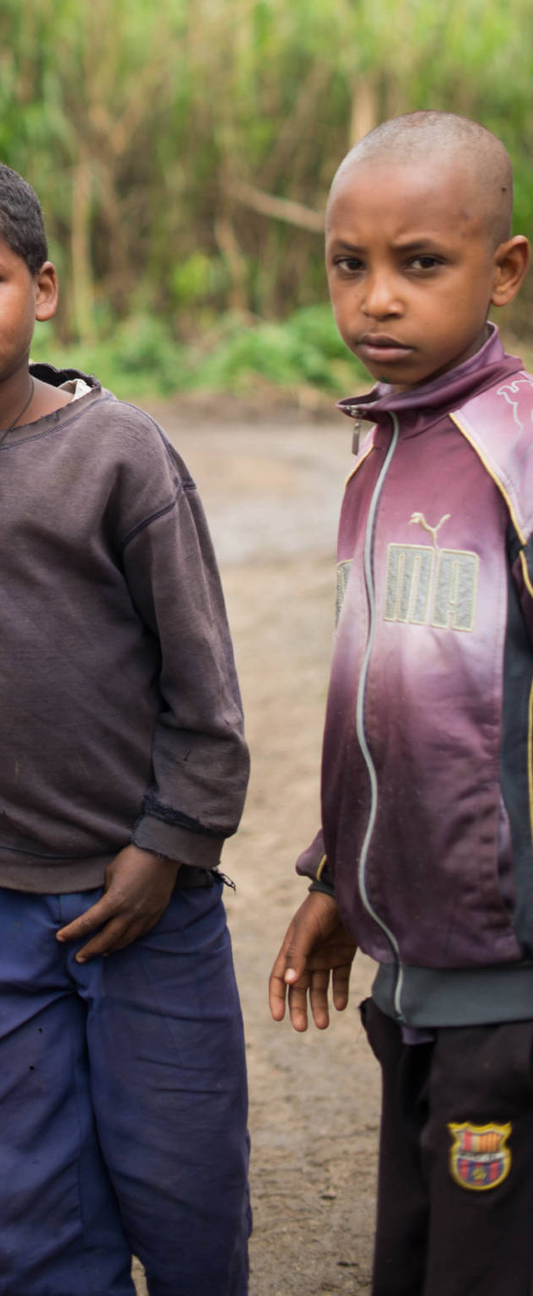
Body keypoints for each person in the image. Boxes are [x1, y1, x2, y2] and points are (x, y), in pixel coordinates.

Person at [0, 151, 252, 1296]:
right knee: (18, 1202)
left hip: (141, 893)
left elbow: (205, 695)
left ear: (47, 289)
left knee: (183, 1188)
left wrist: (168, 847)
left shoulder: (120, 457)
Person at [268, 111, 533, 1296]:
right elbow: (394, 703)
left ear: (505, 272)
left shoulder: (512, 452)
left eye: (420, 265)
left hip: (509, 963)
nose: (377, 299)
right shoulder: (384, 449)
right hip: (417, 953)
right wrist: (338, 873)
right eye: (349, 264)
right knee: (418, 1246)